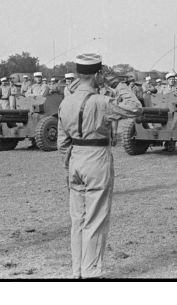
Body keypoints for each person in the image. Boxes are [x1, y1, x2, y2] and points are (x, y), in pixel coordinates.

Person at [57, 53, 142, 279]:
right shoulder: (101, 102)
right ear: (97, 75)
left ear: (77, 74)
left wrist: (70, 163)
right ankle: (91, 272)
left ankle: (77, 271)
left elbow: (62, 141)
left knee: (78, 220)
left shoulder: (66, 101)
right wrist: (117, 83)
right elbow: (134, 107)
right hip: (96, 158)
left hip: (75, 159)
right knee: (95, 219)